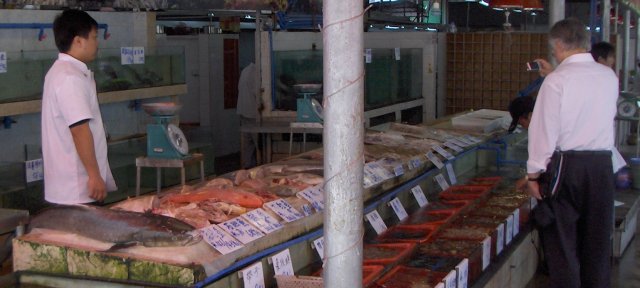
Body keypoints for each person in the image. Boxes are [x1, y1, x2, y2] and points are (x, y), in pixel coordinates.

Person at [526, 18, 617, 288]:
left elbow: (543, 131)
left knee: (562, 243)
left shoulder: (555, 82)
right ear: (586, 44)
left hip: (568, 167)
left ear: (556, 45)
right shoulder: (608, 76)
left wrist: (533, 175)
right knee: (597, 243)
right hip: (602, 166)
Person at [41, 10, 116, 204]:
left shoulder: (63, 71)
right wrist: (94, 175)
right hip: (77, 189)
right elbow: (79, 130)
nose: (97, 43)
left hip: (70, 187)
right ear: (78, 41)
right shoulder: (69, 78)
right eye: (94, 37)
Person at [236, 62, 260, 168]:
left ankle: (247, 168)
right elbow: (258, 93)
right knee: (258, 144)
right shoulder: (255, 72)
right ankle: (260, 169)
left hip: (243, 111)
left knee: (247, 145)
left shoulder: (245, 70)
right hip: (252, 113)